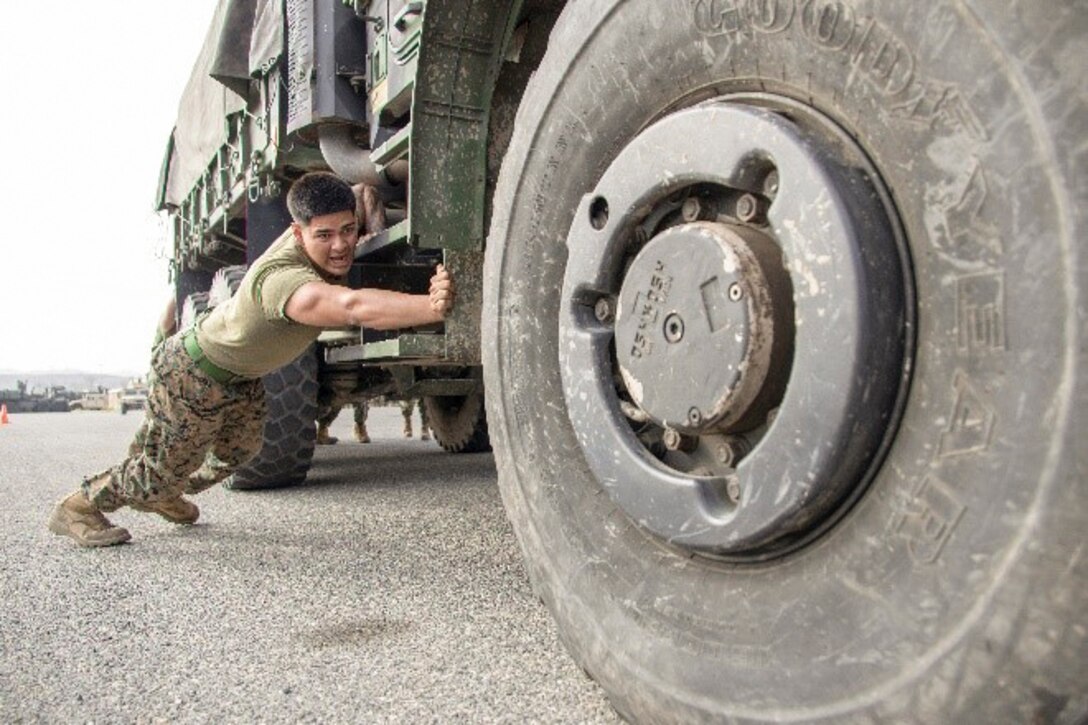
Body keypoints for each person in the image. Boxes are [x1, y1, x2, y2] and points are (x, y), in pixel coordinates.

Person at [48, 171, 454, 547]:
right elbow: (351, 307)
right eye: (325, 235)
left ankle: (162, 483)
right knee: (159, 470)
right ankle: (81, 506)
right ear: (298, 234)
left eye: (348, 230)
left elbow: (349, 205)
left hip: (239, 376)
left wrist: (364, 197)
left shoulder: (315, 234)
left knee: (239, 452)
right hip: (192, 372)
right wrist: (432, 308)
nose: (341, 245)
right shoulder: (284, 282)